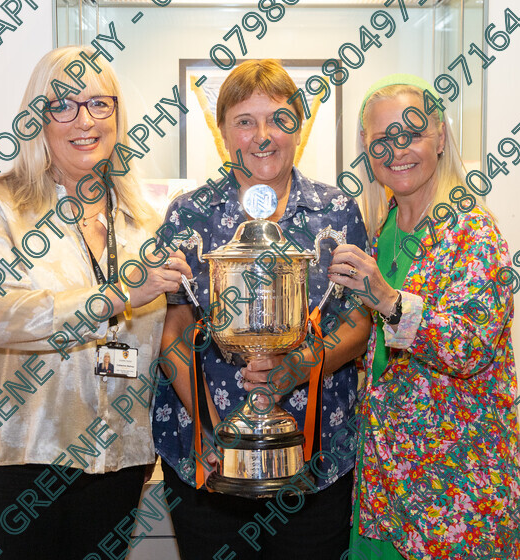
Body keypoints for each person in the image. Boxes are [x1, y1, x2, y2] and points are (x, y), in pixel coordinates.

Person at [0, 46, 191, 560]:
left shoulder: (145, 222)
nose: (84, 120)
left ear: (116, 114)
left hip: (118, 458)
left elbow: (170, 340)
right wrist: (118, 295)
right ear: (39, 117)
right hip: (18, 454)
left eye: (98, 104)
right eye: (63, 105)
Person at [153, 59, 371, 559]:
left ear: (299, 126)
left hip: (316, 459)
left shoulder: (336, 211)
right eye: (245, 121)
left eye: (278, 118)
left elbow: (357, 321)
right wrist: (212, 432)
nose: (263, 135)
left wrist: (298, 366)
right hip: (206, 461)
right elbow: (175, 331)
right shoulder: (190, 214)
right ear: (223, 132)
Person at [328, 75, 520, 559]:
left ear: (440, 137)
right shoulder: (382, 229)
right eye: (381, 140)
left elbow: (470, 347)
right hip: (385, 484)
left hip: (455, 490)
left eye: (412, 133)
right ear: (366, 151)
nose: (398, 150)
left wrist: (390, 301)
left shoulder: (471, 230)